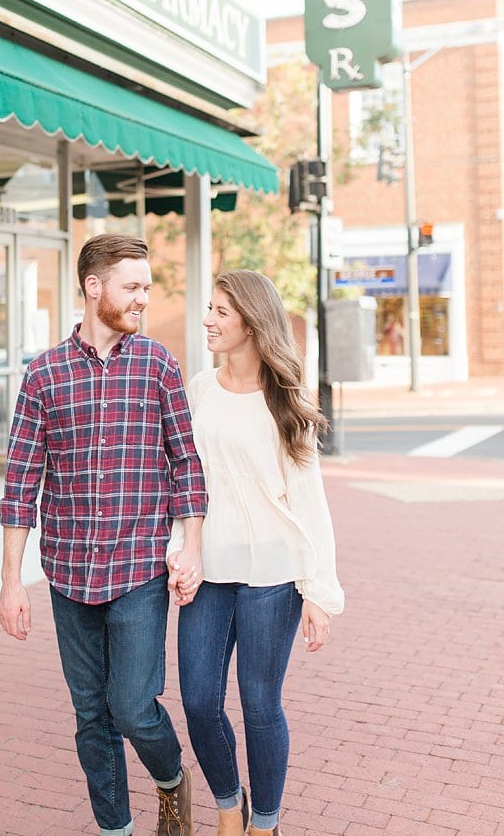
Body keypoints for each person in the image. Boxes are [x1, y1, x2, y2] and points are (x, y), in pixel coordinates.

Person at [0, 233, 206, 836]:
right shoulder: (43, 376)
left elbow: (186, 464)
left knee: (134, 709)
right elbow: (20, 485)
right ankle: (116, 829)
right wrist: (12, 581)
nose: (144, 297)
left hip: (139, 571)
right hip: (67, 576)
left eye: (147, 286)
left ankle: (171, 781)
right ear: (95, 288)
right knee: (91, 717)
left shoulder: (158, 365)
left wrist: (189, 546)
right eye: (133, 286)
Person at [170, 269, 343, 836]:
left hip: (274, 571)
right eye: (210, 309)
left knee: (260, 705)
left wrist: (318, 590)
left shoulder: (285, 401)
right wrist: (182, 549)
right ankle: (228, 803)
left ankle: (263, 823)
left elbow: (309, 501)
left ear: (251, 320)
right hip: (211, 566)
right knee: (197, 700)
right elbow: (186, 480)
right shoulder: (199, 388)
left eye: (221, 311)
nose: (208, 320)